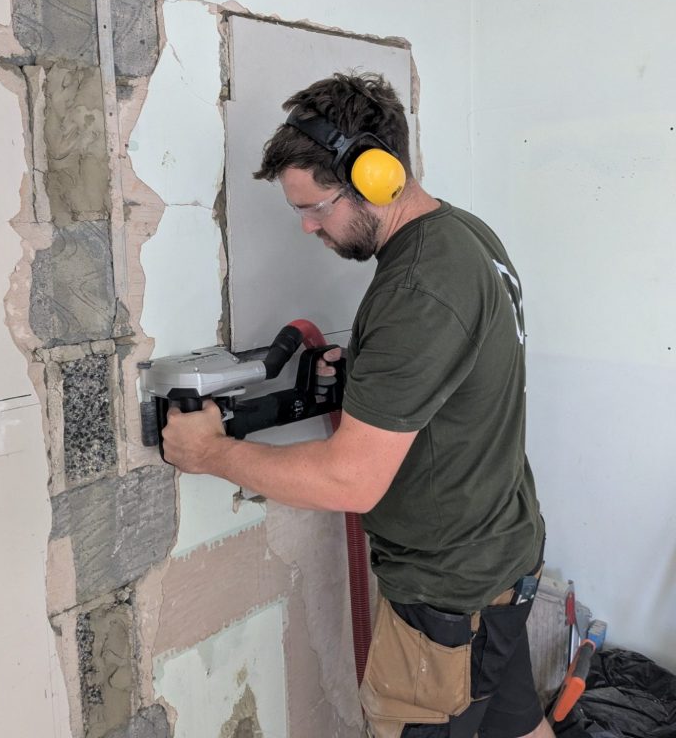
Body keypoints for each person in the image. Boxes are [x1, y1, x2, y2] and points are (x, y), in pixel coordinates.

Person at [161, 72, 552, 738]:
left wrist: (211, 453)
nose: (308, 226)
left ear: (377, 176)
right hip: (500, 561)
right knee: (514, 727)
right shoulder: (465, 238)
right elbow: (455, 377)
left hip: (447, 596)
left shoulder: (419, 289)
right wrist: (370, 378)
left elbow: (351, 480)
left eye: (317, 207)